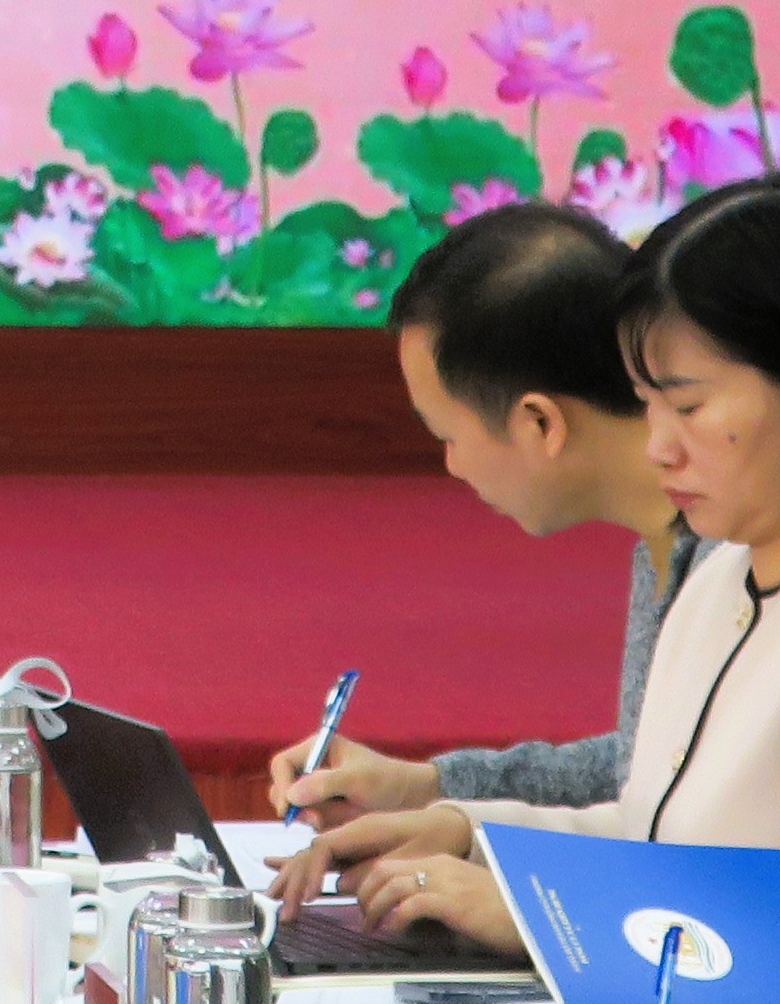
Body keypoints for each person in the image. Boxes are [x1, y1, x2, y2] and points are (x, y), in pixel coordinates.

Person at [293, 173, 780, 953]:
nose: (660, 446)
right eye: (649, 404)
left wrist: (546, 917)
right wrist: (462, 827)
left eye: (688, 406)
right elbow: (653, 826)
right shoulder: (719, 578)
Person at [266, 201, 709, 876]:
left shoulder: (745, 558)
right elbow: (646, 769)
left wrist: (500, 887)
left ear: (539, 423)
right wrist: (426, 787)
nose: (451, 465)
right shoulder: (669, 542)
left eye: (447, 434)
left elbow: (690, 826)